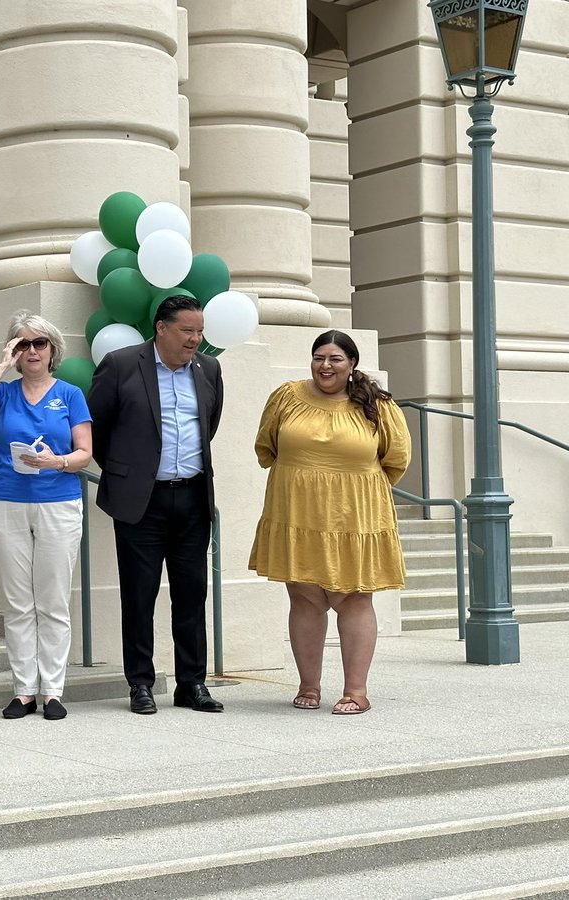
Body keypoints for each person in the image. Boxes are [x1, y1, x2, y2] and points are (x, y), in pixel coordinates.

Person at [248, 330, 411, 715]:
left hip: (355, 515)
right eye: (319, 357)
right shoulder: (286, 396)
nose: (326, 366)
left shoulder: (378, 405)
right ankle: (309, 686)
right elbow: (265, 447)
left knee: (353, 598)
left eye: (335, 359)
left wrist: (350, 484)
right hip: (297, 513)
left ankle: (356, 691)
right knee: (304, 598)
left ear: (352, 364)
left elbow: (396, 459)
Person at [87, 293, 224, 715]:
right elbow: (96, 426)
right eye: (187, 331)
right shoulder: (123, 364)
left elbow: (210, 423)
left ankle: (192, 683)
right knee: (139, 595)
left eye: (200, 332)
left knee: (191, 594)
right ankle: (141, 684)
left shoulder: (209, 369)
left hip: (192, 497)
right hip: (140, 502)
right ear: (161, 328)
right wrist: (128, 472)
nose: (195, 340)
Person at [0, 311, 93, 721]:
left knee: (52, 600)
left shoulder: (70, 394)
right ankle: (24, 690)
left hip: (58, 500)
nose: (32, 350)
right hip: (6, 499)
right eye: (23, 344)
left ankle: (52, 690)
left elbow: (85, 452)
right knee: (18, 602)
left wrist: (56, 462)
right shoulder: (4, 392)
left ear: (53, 349)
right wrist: (2, 365)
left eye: (40, 343)